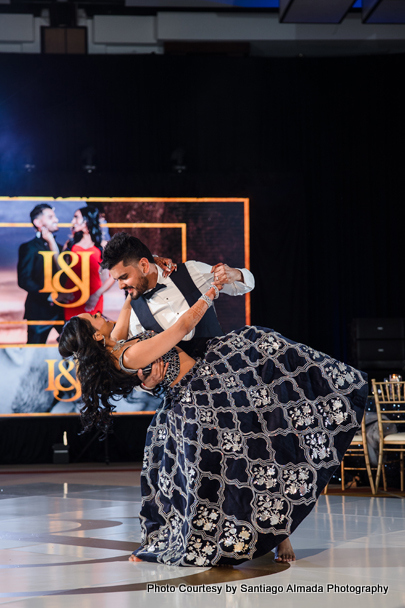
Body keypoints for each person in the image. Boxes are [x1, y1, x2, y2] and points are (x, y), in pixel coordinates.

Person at [58, 283, 368, 568]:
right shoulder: (130, 352)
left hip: (206, 383)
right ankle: (270, 532)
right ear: (96, 336)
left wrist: (130, 290)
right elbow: (182, 327)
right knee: (245, 459)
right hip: (202, 398)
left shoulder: (117, 346)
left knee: (263, 377)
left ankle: (276, 532)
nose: (100, 313)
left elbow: (123, 315)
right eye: (95, 317)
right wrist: (209, 294)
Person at [101, 232, 255, 362]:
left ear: (144, 265)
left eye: (124, 277)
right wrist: (147, 386)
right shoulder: (133, 315)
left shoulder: (191, 272)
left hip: (229, 374)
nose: (120, 286)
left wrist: (236, 274)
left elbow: (243, 287)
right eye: (117, 280)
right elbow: (136, 368)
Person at [17, 203, 64, 344]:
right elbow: (24, 279)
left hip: (63, 311)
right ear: (37, 222)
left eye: (55, 216)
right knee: (33, 353)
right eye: (50, 217)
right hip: (38, 311)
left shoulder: (62, 248)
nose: (56, 219)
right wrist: (49, 296)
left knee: (77, 352)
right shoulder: (28, 248)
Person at [63, 206, 115, 321]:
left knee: (92, 333)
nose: (72, 222)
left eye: (76, 217)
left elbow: (113, 277)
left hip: (93, 297)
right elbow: (60, 272)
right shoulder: (70, 245)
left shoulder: (103, 246)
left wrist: (96, 295)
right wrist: (62, 293)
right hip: (72, 298)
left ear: (87, 220)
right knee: (73, 334)